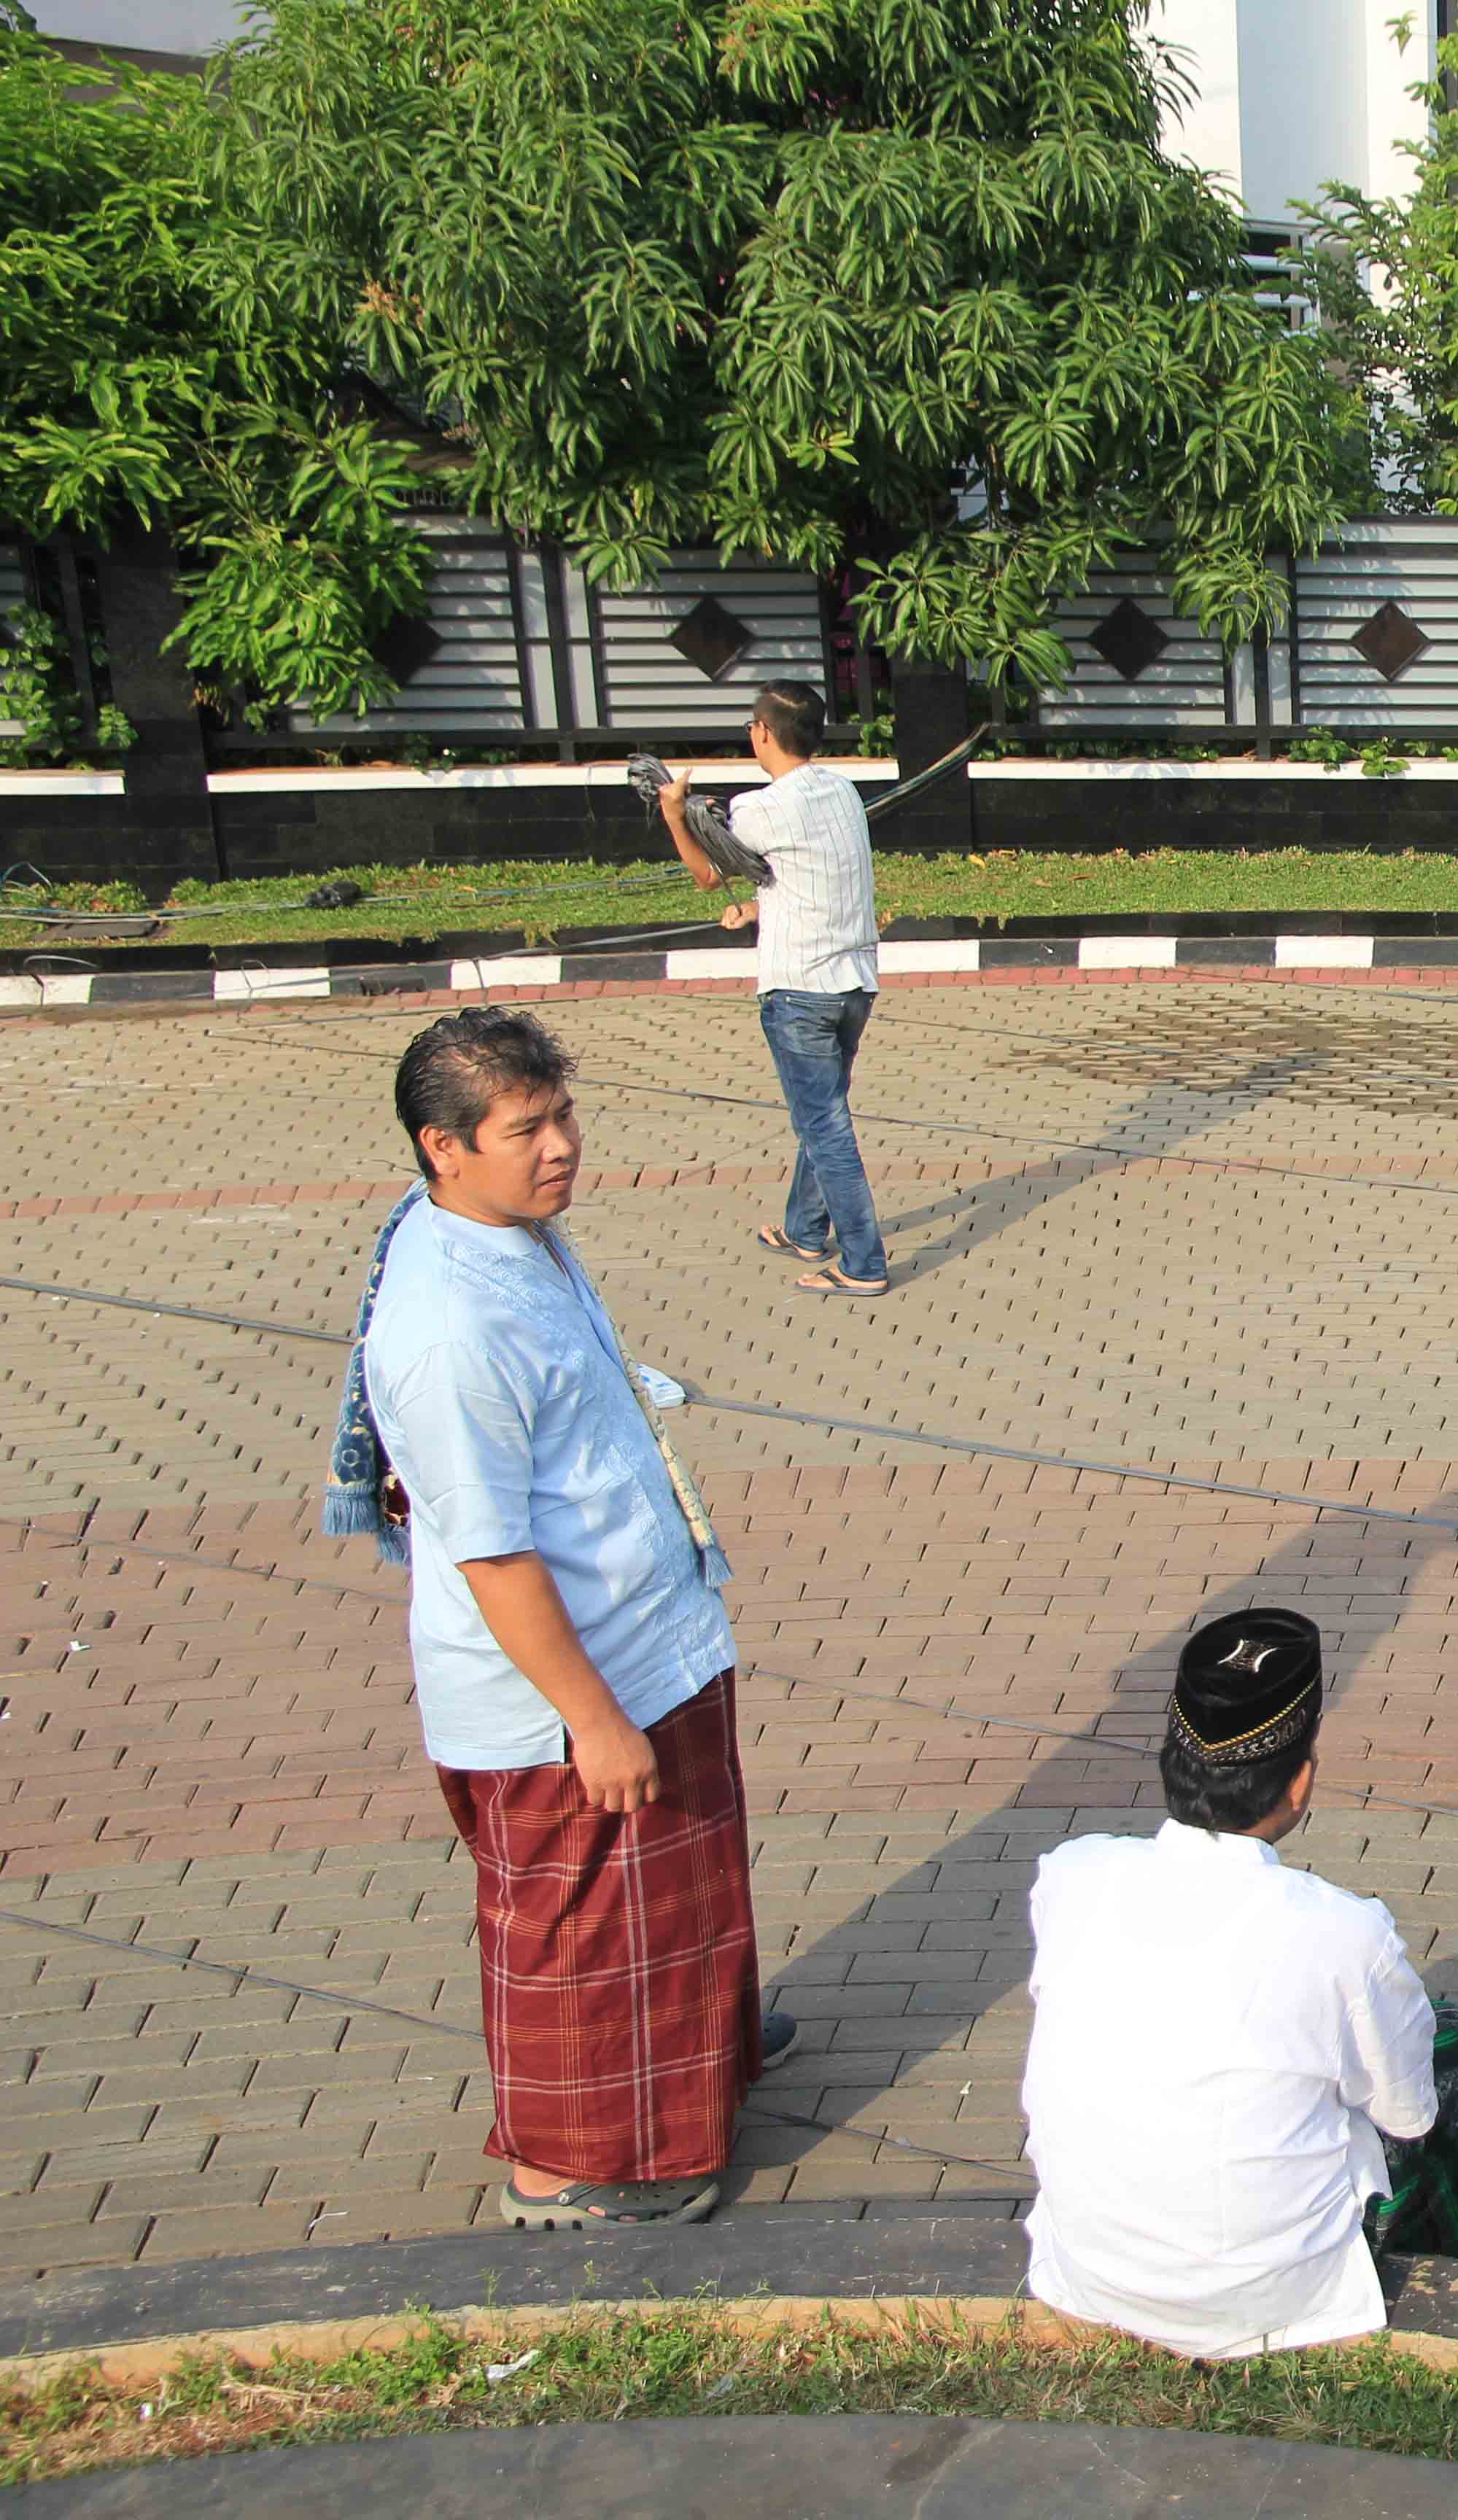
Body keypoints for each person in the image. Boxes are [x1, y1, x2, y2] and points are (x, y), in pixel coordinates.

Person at [341, 1007, 786, 2230]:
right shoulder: (446, 1330)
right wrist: (590, 1720)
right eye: (526, 1129)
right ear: (442, 1148)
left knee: (677, 1899)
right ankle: (565, 2166)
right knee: (579, 1933)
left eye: (564, 1116)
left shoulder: (511, 1233)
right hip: (560, 1690)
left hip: (647, 1637)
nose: (561, 1147)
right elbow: (491, 1554)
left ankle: (705, 2063)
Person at [1020, 1608, 1458, 2360]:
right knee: (1456, 2055)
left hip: (1092, 2278)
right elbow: (1408, 2114)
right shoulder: (1348, 1932)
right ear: (1300, 1782)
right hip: (1279, 2298)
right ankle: (1450, 2279)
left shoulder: (1070, 1874)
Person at [660, 679, 889, 1295]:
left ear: (762, 732)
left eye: (751, 727)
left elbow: (709, 876)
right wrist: (759, 910)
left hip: (799, 991)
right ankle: (805, 1230)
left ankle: (864, 1264)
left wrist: (674, 814)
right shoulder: (842, 791)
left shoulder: (759, 809)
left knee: (824, 1128)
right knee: (823, 1113)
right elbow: (810, 875)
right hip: (853, 985)